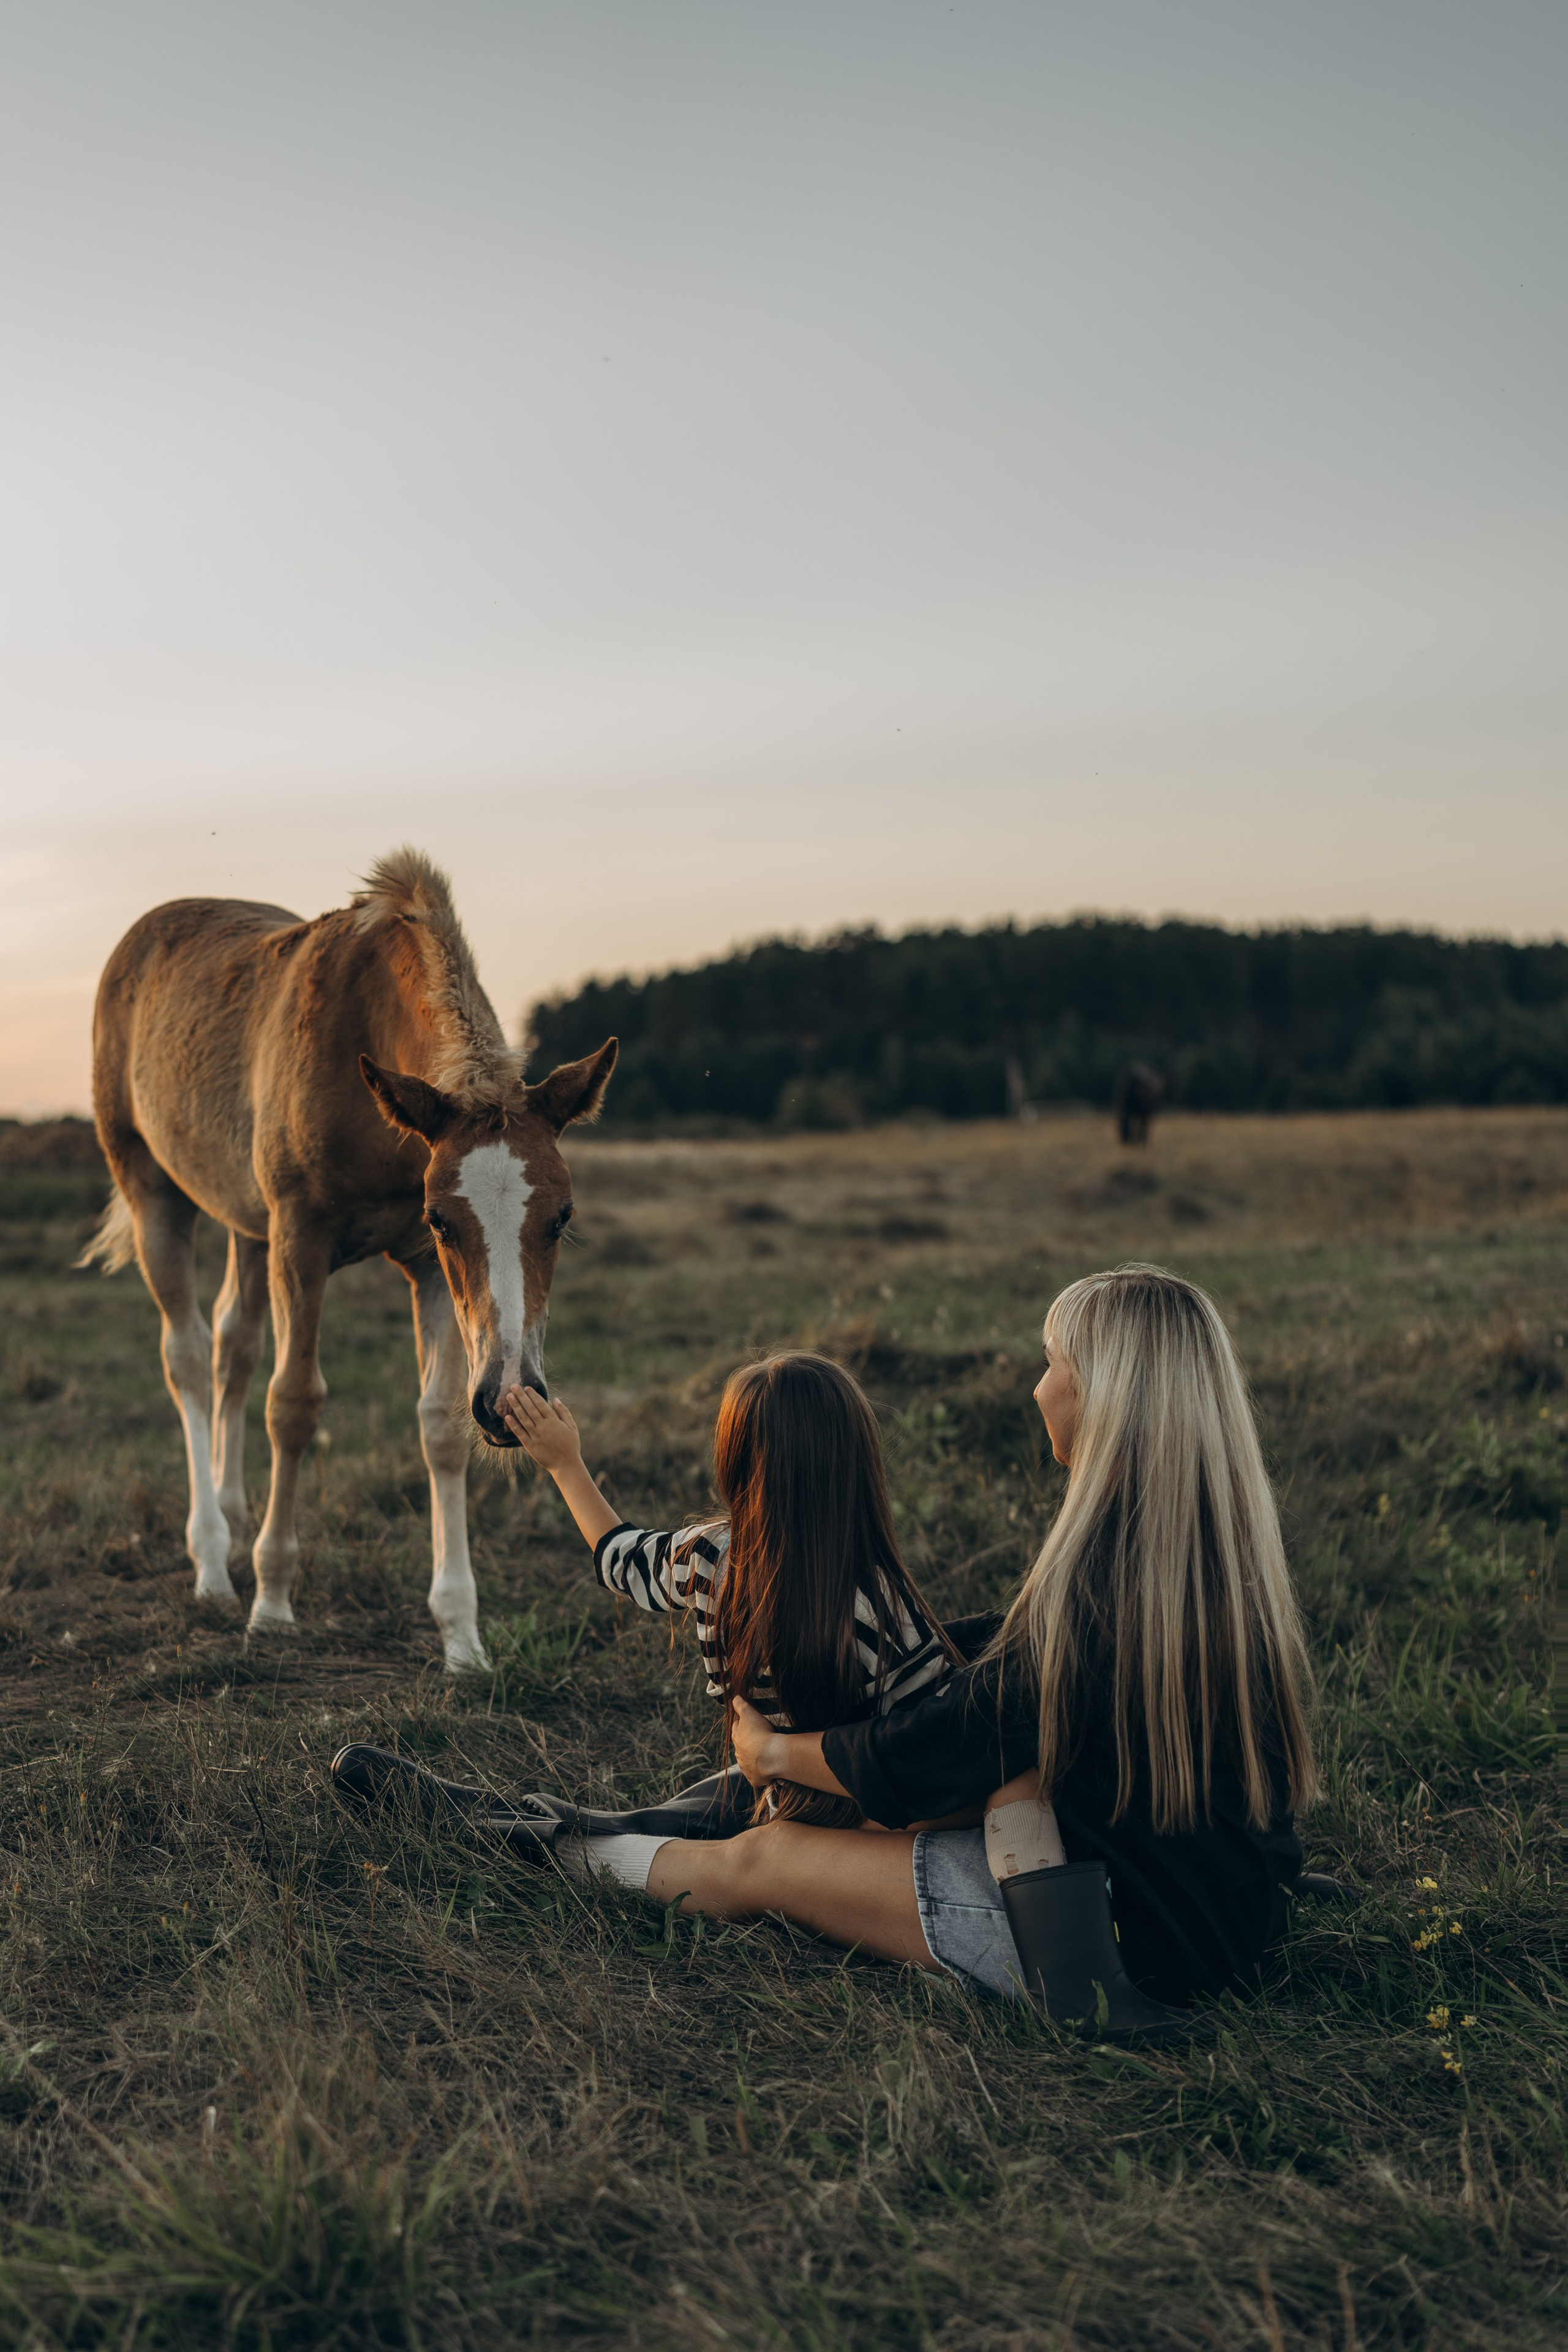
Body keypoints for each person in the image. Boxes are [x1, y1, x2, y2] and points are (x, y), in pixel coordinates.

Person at [516, 1267, 1316, 2031]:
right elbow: (1018, 1686)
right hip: (1222, 1919)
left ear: (1105, 1394)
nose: (1039, 1387)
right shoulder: (1206, 1561)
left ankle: (551, 1854)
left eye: (1051, 1362)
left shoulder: (1101, 1586)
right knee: (976, 1782)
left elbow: (937, 1758)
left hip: (1126, 1947)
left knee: (767, 1857)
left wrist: (775, 1757)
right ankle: (607, 1826)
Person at [500, 1351, 1047, 1844]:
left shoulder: (705, 1556)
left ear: (734, 1459)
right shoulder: (874, 1599)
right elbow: (926, 1751)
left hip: (775, 1804)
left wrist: (565, 1464)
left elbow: (621, 1558)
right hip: (868, 1825)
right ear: (856, 1463)